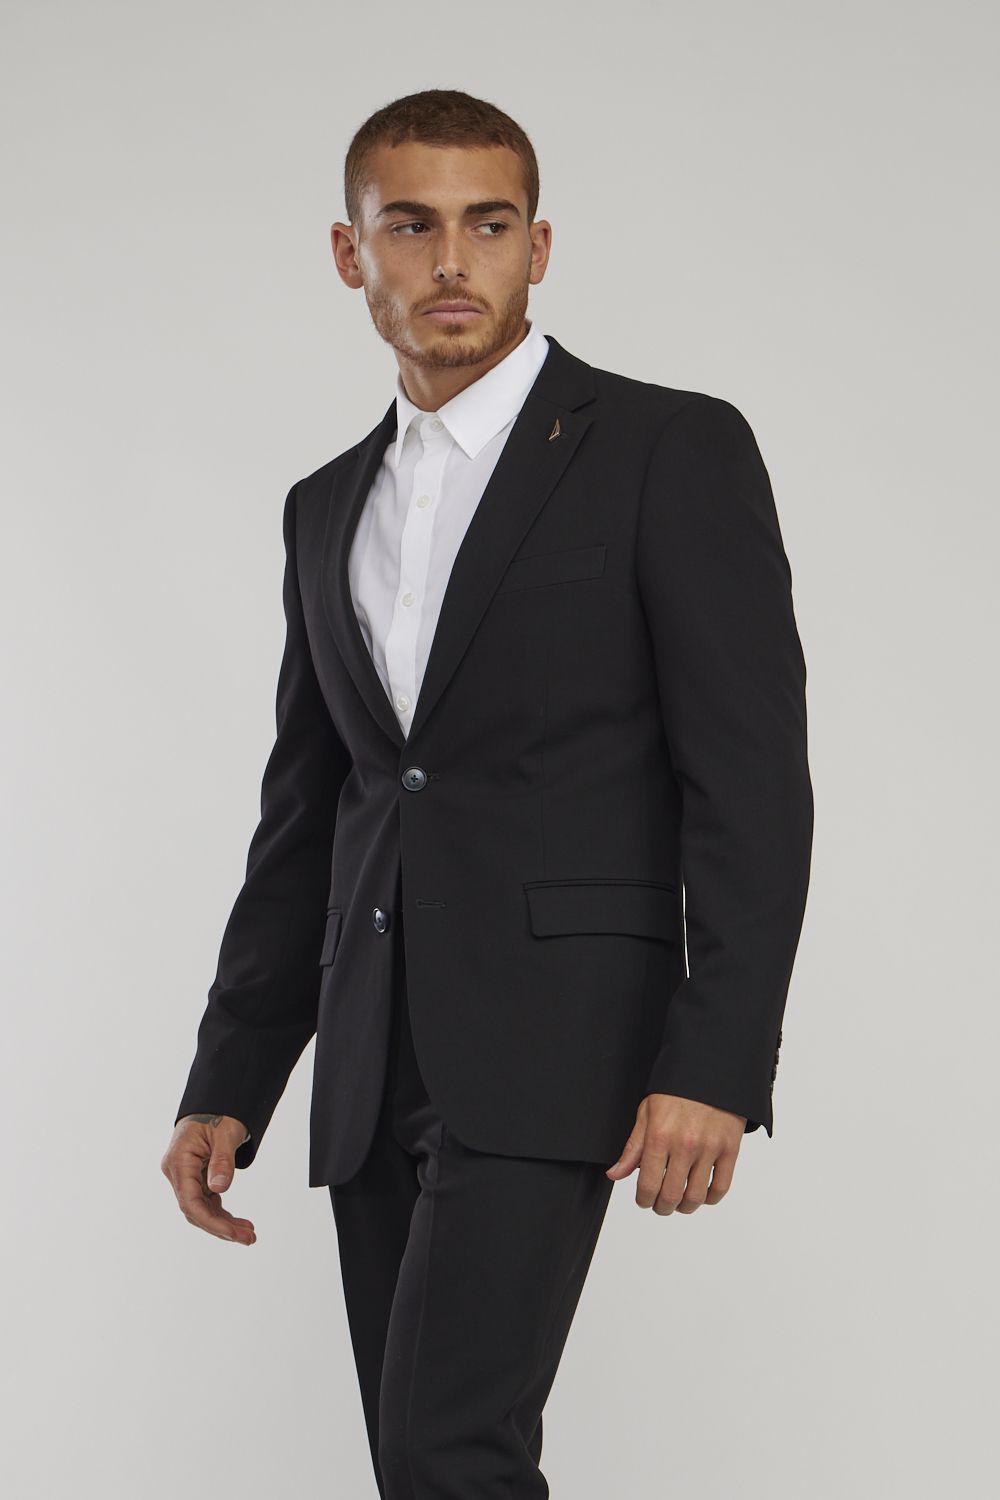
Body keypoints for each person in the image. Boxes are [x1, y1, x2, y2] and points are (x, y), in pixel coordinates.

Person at [161, 87, 814, 1498]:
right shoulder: (325, 505)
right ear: (352, 254)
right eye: (411, 226)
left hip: (559, 1042)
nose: (453, 260)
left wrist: (716, 1060)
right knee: (421, 1462)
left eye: (490, 224)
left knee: (449, 1447)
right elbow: (311, 816)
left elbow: (751, 783)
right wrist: (231, 1078)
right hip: (371, 1047)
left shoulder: (667, 450)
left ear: (540, 247)